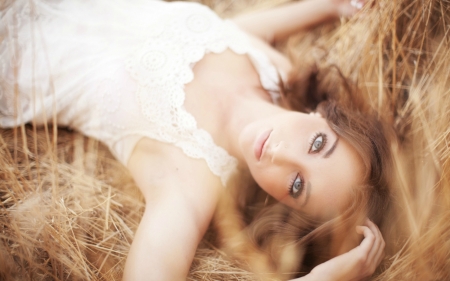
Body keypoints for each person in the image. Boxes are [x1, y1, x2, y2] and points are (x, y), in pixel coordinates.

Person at [0, 0, 390, 280]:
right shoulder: (277, 71)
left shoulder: (190, 180)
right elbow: (237, 32)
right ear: (321, 114)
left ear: (282, 203)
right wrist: (330, 6)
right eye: (318, 144)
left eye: (297, 184)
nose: (281, 154)